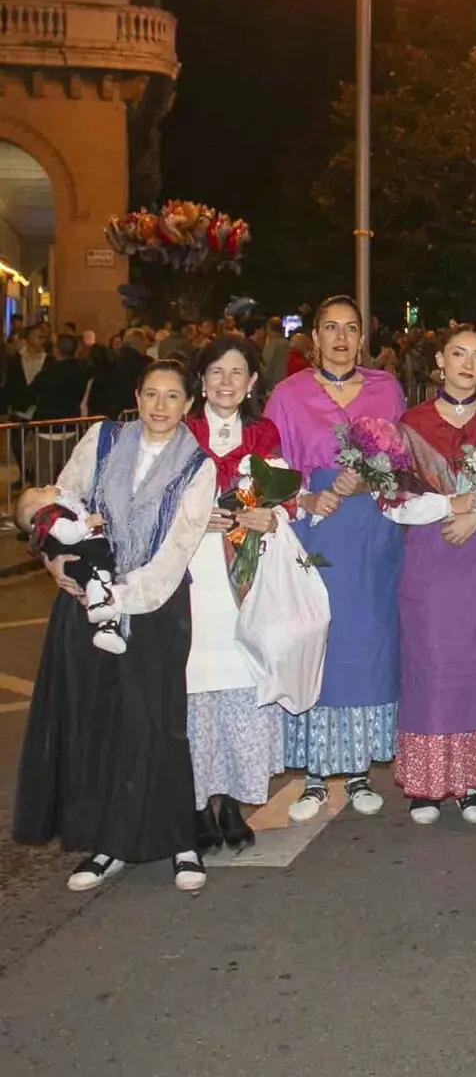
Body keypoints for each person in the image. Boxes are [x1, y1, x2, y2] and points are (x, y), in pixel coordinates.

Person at [12, 359, 217, 892]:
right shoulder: (104, 438)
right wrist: (58, 561)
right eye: (151, 394)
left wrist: (121, 597)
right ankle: (108, 843)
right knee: (100, 720)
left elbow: (177, 549)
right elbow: (61, 499)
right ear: (136, 395)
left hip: (155, 606)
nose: (160, 406)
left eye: (173, 397)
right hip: (84, 597)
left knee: (158, 722)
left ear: (189, 405)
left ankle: (180, 841)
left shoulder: (199, 465)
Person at [264, 295, 408, 823]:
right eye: (331, 328)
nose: (341, 338)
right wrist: (305, 496)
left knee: (364, 646)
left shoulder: (385, 388)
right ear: (315, 338)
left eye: (351, 329)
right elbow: (271, 468)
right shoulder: (288, 394)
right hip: (314, 533)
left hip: (371, 533)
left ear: (362, 338)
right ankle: (312, 777)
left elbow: (402, 459)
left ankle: (359, 773)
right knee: (313, 639)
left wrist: (370, 476)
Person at [387, 329, 476, 825]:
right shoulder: (410, 423)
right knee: (430, 665)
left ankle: (472, 781)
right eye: (459, 354)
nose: (469, 363)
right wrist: (454, 504)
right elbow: (393, 501)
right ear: (440, 362)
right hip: (430, 555)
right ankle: (427, 785)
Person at [181, 337, 289, 853]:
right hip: (191, 577)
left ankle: (232, 804)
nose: (226, 381)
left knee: (241, 684)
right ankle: (197, 804)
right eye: (216, 371)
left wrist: (271, 515)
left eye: (237, 372)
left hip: (244, 577)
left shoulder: (263, 433)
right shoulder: (182, 430)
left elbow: (284, 499)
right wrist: (195, 521)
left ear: (252, 383)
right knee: (194, 687)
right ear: (201, 380)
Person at [15, 485, 124, 652]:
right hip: (89, 554)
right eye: (40, 491)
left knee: (111, 590)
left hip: (106, 552)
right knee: (102, 581)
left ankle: (107, 628)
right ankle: (97, 608)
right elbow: (64, 534)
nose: (48, 486)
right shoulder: (49, 515)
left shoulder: (58, 505)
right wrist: (51, 560)